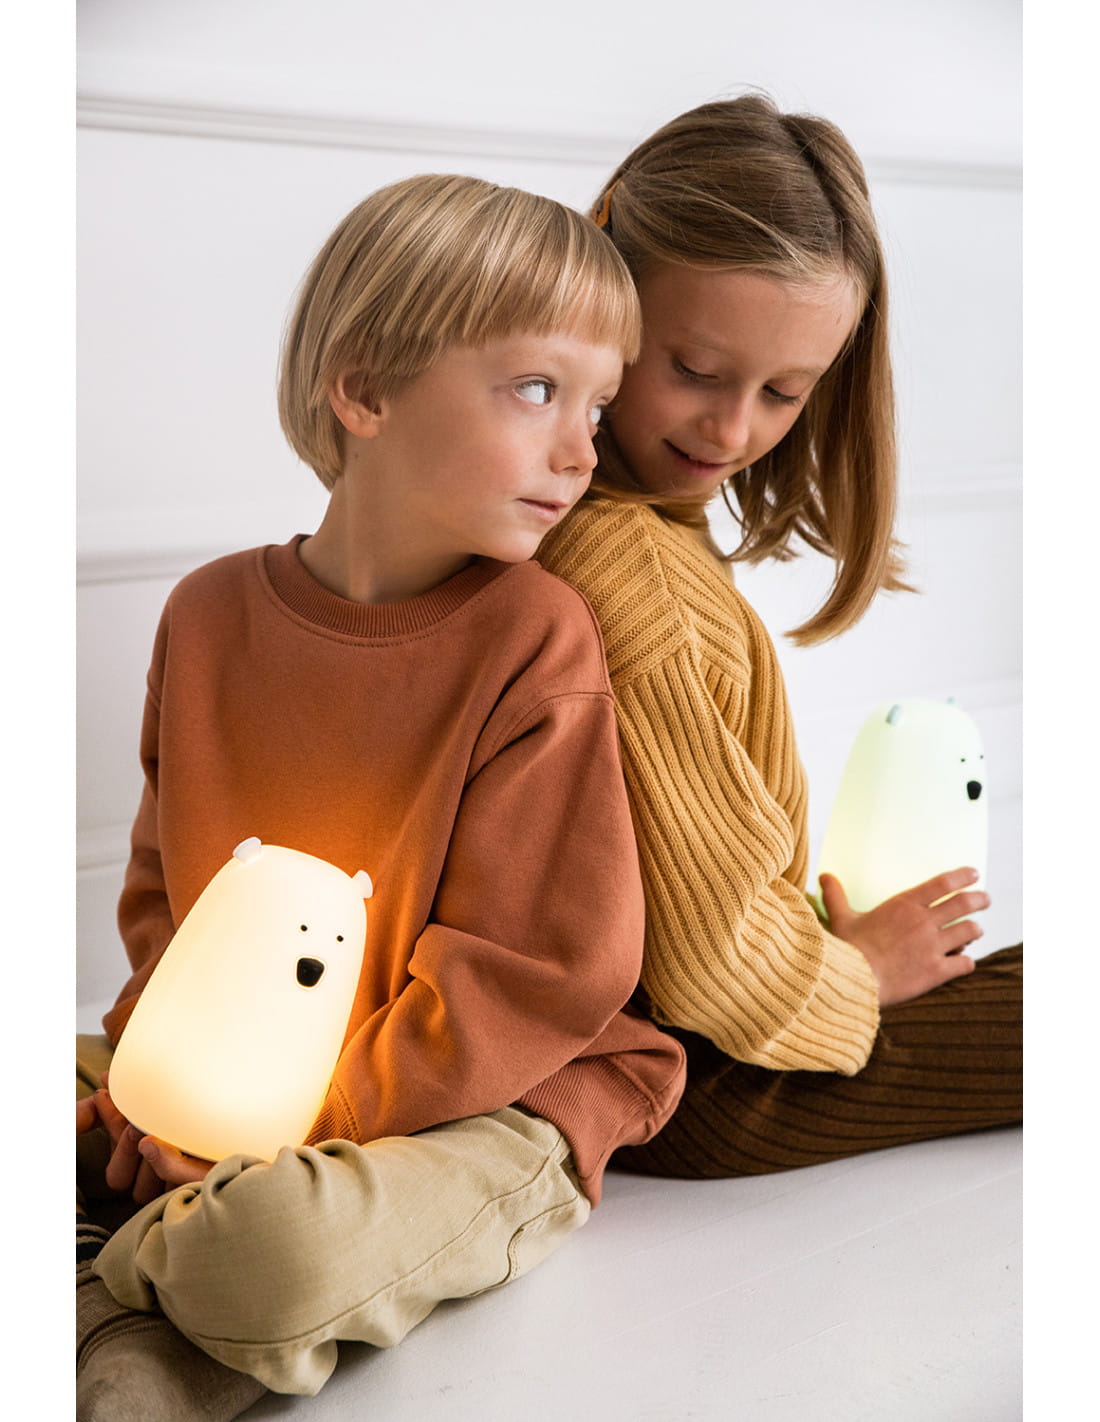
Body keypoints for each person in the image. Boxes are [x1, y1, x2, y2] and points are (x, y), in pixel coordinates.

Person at [75, 172, 686, 1418]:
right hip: (250, 1087)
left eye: (598, 404)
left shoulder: (533, 637)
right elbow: (164, 899)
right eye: (536, 389)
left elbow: (536, 974)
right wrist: (154, 1089)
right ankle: (151, 1311)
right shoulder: (208, 615)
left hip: (493, 1104)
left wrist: (291, 1127)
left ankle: (126, 1290)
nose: (582, 450)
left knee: (273, 1248)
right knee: (130, 1136)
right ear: (363, 391)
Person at [536, 94, 1022, 1180]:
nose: (730, 428)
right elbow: (710, 965)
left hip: (690, 1040)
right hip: (689, 1078)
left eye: (783, 392)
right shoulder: (631, 579)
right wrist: (858, 973)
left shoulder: (601, 522)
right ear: (605, 269)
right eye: (695, 370)